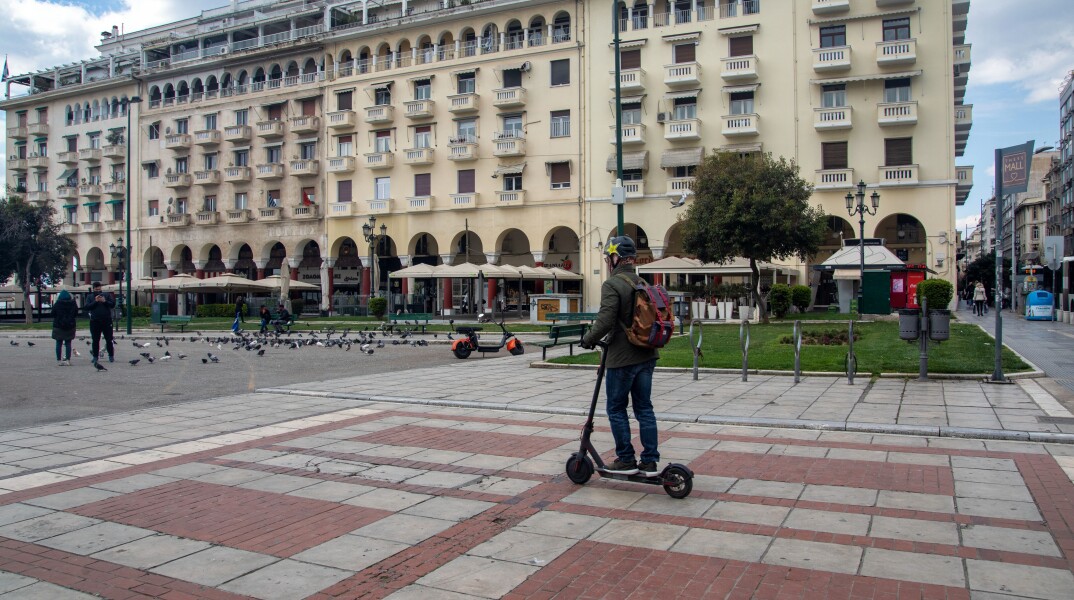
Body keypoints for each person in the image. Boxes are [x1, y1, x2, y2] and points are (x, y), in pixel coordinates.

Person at [579, 236, 660, 477]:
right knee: (644, 408)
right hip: (647, 354)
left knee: (616, 407)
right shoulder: (642, 282)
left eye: (607, 257)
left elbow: (605, 320)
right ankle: (650, 461)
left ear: (615, 258)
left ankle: (626, 459)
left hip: (623, 358)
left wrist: (589, 339)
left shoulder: (612, 284)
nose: (606, 262)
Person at [86, 281, 116, 364]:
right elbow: (87, 307)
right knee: (95, 340)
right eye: (96, 290)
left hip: (106, 320)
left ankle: (111, 356)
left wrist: (104, 301)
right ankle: (95, 356)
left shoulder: (107, 295)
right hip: (95, 321)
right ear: (93, 289)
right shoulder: (90, 296)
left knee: (109, 339)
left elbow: (112, 304)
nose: (98, 291)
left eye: (99, 289)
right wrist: (95, 301)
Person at [51, 290, 78, 366]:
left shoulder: (57, 304)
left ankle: (59, 360)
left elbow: (52, 314)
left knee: (58, 343)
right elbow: (76, 313)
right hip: (70, 326)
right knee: (68, 343)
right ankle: (68, 360)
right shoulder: (73, 304)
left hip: (58, 326)